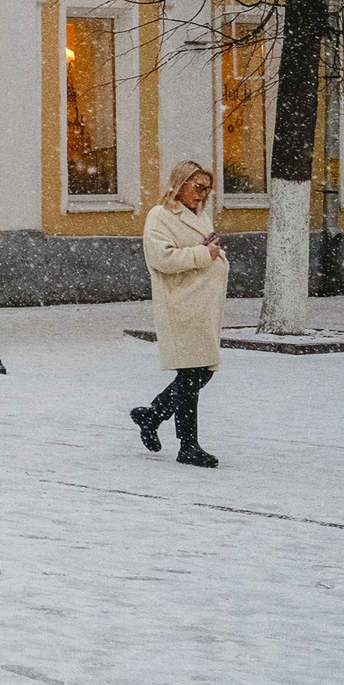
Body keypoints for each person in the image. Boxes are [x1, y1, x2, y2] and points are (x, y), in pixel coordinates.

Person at [135, 160, 228, 468]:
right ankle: (188, 446)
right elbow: (162, 258)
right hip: (182, 305)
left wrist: (211, 251)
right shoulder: (160, 216)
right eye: (198, 187)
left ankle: (152, 415)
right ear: (180, 183)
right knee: (191, 374)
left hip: (202, 305)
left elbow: (204, 248)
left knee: (203, 370)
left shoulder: (199, 216)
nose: (202, 195)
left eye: (207, 190)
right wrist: (205, 254)